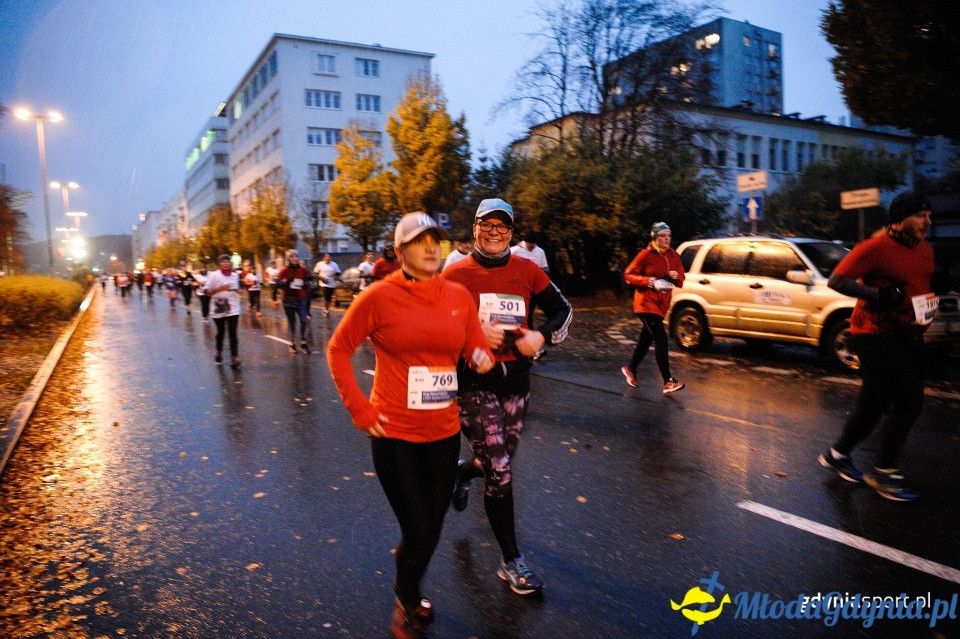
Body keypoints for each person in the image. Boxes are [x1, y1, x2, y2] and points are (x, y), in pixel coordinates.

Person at [327, 212, 494, 639]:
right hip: (393, 432)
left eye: (435, 240)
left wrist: (480, 356)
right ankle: (405, 595)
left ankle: (409, 586)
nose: (431, 248)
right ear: (400, 251)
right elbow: (338, 348)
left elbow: (473, 343)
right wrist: (360, 410)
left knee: (432, 525)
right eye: (419, 241)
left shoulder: (458, 295)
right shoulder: (379, 297)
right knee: (418, 527)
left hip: (442, 431)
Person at [442, 198, 573, 597]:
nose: (495, 233)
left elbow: (563, 311)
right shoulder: (456, 272)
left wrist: (542, 336)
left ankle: (463, 474)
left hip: (516, 380)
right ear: (475, 229)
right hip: (472, 383)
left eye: (503, 227)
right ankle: (511, 561)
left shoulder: (527, 269)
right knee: (500, 469)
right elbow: (435, 324)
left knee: (496, 462)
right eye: (487, 225)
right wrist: (473, 335)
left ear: (512, 233)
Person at [819, 191, 936, 502]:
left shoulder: (925, 249)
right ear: (899, 220)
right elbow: (837, 280)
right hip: (873, 334)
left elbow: (922, 282)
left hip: (908, 335)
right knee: (909, 401)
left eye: (929, 215)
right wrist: (881, 296)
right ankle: (883, 471)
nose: (928, 221)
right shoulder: (874, 248)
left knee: (873, 403)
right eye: (921, 216)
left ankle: (837, 453)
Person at [620, 222, 686, 394]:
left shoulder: (674, 256)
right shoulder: (645, 254)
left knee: (646, 340)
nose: (667, 239)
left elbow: (681, 278)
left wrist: (676, 275)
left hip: (662, 304)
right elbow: (628, 274)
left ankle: (631, 369)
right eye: (663, 236)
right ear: (655, 238)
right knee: (661, 339)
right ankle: (668, 381)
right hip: (645, 303)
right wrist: (646, 281)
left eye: (669, 236)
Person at [204, 254, 242, 368]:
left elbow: (236, 288)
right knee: (221, 332)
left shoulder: (235, 276)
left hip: (233, 308)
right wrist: (221, 288)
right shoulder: (214, 276)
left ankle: (234, 358)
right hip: (218, 308)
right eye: (223, 262)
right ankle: (218, 352)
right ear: (219, 264)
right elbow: (208, 292)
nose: (226, 263)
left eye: (227, 262)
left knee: (233, 334)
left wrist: (238, 290)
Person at [277, 249, 313, 354]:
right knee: (292, 322)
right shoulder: (284, 270)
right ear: (288, 258)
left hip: (301, 299)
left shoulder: (304, 270)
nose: (294, 258)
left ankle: (303, 343)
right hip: (288, 300)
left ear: (298, 258)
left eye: (296, 256)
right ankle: (292, 344)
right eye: (291, 257)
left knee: (304, 320)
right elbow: (278, 283)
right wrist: (286, 282)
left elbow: (310, 281)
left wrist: (306, 283)